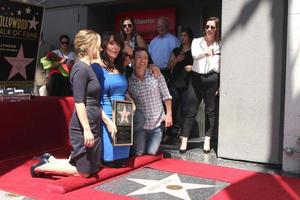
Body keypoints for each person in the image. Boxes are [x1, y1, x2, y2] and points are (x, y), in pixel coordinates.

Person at [30, 30, 102, 177]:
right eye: (97, 46)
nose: (100, 49)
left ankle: (50, 159)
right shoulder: (80, 68)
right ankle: (41, 167)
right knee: (84, 172)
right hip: (83, 127)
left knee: (93, 167)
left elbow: (93, 100)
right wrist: (87, 129)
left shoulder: (89, 68)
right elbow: (79, 102)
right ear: (89, 46)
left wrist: (106, 121)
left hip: (93, 123)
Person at [179, 17, 221, 154]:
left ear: (216, 30)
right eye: (207, 26)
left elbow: (223, 65)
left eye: (212, 27)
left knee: (210, 111)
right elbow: (195, 55)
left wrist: (221, 84)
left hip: (212, 78)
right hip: (196, 78)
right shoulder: (197, 41)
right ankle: (184, 139)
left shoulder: (220, 45)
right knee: (191, 109)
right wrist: (206, 53)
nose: (209, 29)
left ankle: (207, 140)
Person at [92, 32, 131, 167]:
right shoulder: (96, 67)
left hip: (123, 116)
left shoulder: (120, 66)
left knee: (122, 162)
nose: (116, 47)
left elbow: (123, 90)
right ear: (103, 45)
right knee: (110, 162)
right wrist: (108, 122)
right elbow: (94, 99)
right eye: (112, 43)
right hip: (106, 116)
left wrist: (131, 100)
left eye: (118, 45)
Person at [128, 47, 172, 155]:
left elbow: (166, 95)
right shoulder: (129, 81)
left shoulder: (156, 75)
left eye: (145, 58)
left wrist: (169, 114)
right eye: (139, 58)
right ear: (133, 60)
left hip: (157, 125)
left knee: (151, 153)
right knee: (139, 152)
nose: (143, 61)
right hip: (142, 127)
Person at [163, 27, 194, 143]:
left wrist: (192, 68)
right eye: (181, 35)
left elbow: (199, 66)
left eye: (185, 35)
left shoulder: (194, 51)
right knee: (173, 108)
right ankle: (170, 133)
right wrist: (177, 59)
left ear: (190, 37)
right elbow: (169, 66)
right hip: (174, 83)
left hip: (187, 84)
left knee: (186, 110)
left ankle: (185, 135)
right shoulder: (176, 50)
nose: (182, 38)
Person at [148, 16, 180, 81]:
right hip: (154, 72)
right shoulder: (153, 41)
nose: (160, 28)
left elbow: (177, 57)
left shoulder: (173, 40)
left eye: (163, 26)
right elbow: (149, 56)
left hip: (168, 72)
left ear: (167, 26)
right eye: (159, 26)